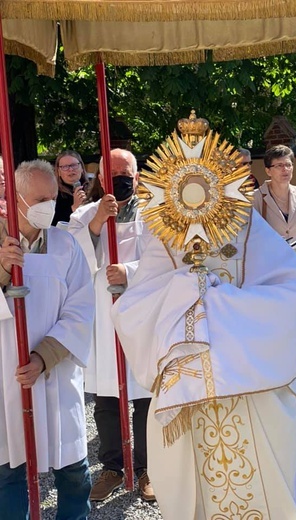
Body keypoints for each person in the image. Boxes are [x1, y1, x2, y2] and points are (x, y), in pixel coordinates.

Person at [112, 125, 296, 519]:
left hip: (253, 379)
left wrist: (221, 304)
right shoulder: (163, 237)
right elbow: (134, 307)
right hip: (189, 392)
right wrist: (183, 293)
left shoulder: (245, 224)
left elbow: (291, 285)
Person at [0, 159, 94, 518]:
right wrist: (3, 269)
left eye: (54, 197)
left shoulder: (66, 245)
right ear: (15, 198)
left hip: (55, 374)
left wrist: (44, 357)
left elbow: (81, 309)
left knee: (73, 474)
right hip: (8, 376)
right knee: (9, 472)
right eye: (40, 198)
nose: (49, 206)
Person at [68, 148, 155, 502]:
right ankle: (112, 467)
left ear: (137, 176)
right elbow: (72, 258)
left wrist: (131, 272)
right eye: (112, 172)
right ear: (101, 177)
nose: (119, 179)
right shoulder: (86, 214)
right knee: (106, 396)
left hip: (142, 312)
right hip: (103, 316)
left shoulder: (155, 215)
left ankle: (149, 468)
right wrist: (94, 223)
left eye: (126, 172)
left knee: (146, 395)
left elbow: (166, 259)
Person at [253, 145, 296, 301]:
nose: (285, 169)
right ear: (268, 171)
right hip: (269, 270)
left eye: (288, 164)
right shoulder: (256, 198)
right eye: (279, 165)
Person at [52, 150, 88, 225]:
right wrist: (74, 208)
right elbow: (54, 225)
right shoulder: (53, 195)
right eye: (65, 167)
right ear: (59, 172)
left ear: (81, 168)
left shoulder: (92, 189)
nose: (70, 169)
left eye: (74, 165)